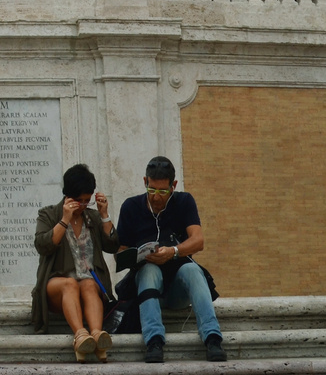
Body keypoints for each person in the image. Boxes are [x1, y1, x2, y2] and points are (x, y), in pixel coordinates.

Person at [115, 156, 224, 364]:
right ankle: (154, 341)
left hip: (177, 291)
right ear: (145, 182)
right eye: (152, 190)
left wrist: (173, 251)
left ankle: (212, 338)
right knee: (149, 270)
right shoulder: (130, 207)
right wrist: (138, 255)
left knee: (192, 270)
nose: (156, 197)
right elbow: (120, 251)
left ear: (173, 186)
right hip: (146, 286)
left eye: (163, 191)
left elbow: (198, 240)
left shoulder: (184, 202)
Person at [31, 163, 123, 362]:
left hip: (88, 282)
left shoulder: (92, 217)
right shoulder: (48, 214)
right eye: (78, 200)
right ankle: (81, 335)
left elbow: (112, 245)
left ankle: (97, 336)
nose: (82, 205)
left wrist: (105, 215)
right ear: (67, 196)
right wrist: (64, 220)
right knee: (70, 284)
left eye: (86, 201)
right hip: (58, 284)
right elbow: (43, 245)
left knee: (89, 284)